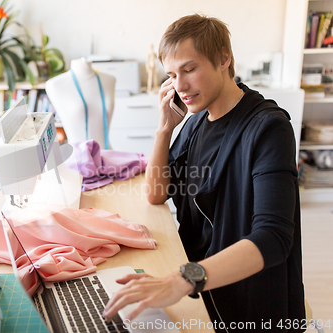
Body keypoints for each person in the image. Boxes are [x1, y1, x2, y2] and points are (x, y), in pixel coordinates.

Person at [103, 14, 305, 332]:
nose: (180, 86)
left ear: (224, 58)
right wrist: (164, 128)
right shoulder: (197, 120)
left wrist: (184, 279)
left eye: (189, 69)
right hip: (200, 286)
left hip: (245, 305)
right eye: (171, 74)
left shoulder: (268, 128)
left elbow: (274, 238)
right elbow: (156, 193)